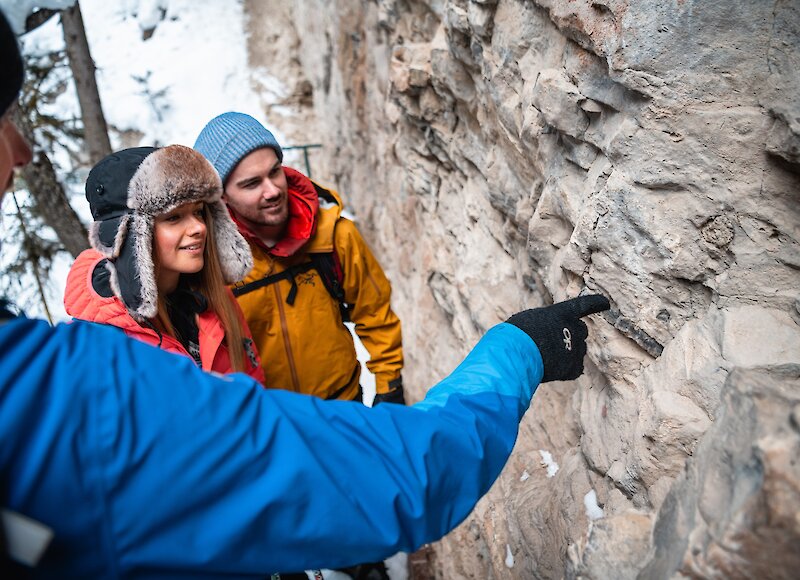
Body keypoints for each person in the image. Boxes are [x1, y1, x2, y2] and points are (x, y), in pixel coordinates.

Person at [0, 9, 610, 578]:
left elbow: (369, 315)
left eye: (198, 215)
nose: (23, 151)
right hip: (304, 461)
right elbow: (387, 477)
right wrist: (515, 352)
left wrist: (388, 386)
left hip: (325, 423)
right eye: (173, 217)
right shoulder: (103, 381)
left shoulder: (222, 290)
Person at [194, 113, 405, 406]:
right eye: (252, 183)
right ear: (221, 197)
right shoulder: (208, 262)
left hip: (341, 408)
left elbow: (375, 313)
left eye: (275, 171)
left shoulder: (333, 236)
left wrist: (389, 386)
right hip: (268, 424)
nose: (272, 190)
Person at [63, 145, 264, 383]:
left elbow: (254, 385)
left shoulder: (215, 298)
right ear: (133, 237)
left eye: (199, 212)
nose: (199, 227)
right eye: (174, 217)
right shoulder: (98, 342)